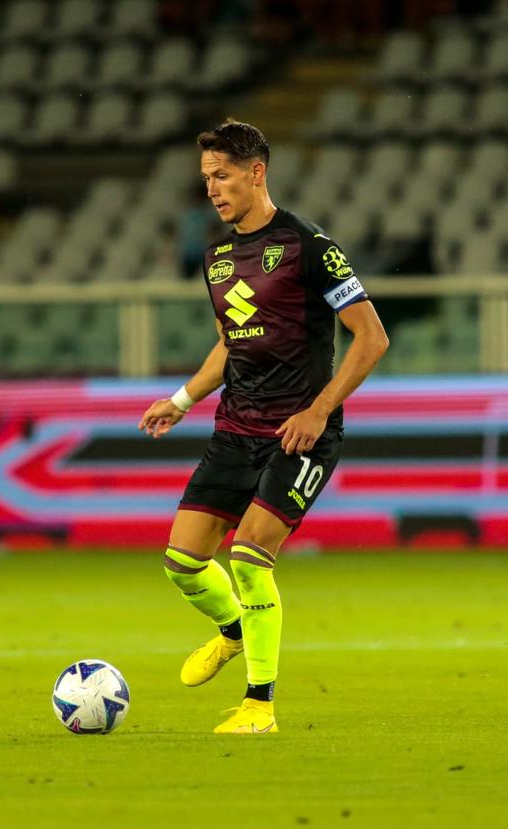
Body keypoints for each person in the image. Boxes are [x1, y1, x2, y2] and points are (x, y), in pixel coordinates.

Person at [138, 121, 389, 734]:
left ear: (256, 173)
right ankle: (233, 630)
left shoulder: (309, 245)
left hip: (300, 434)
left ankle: (259, 705)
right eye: (206, 178)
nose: (212, 189)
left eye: (222, 175)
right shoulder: (217, 257)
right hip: (235, 429)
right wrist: (181, 399)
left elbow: (372, 337)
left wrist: (319, 410)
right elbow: (231, 342)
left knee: (249, 558)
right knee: (181, 562)